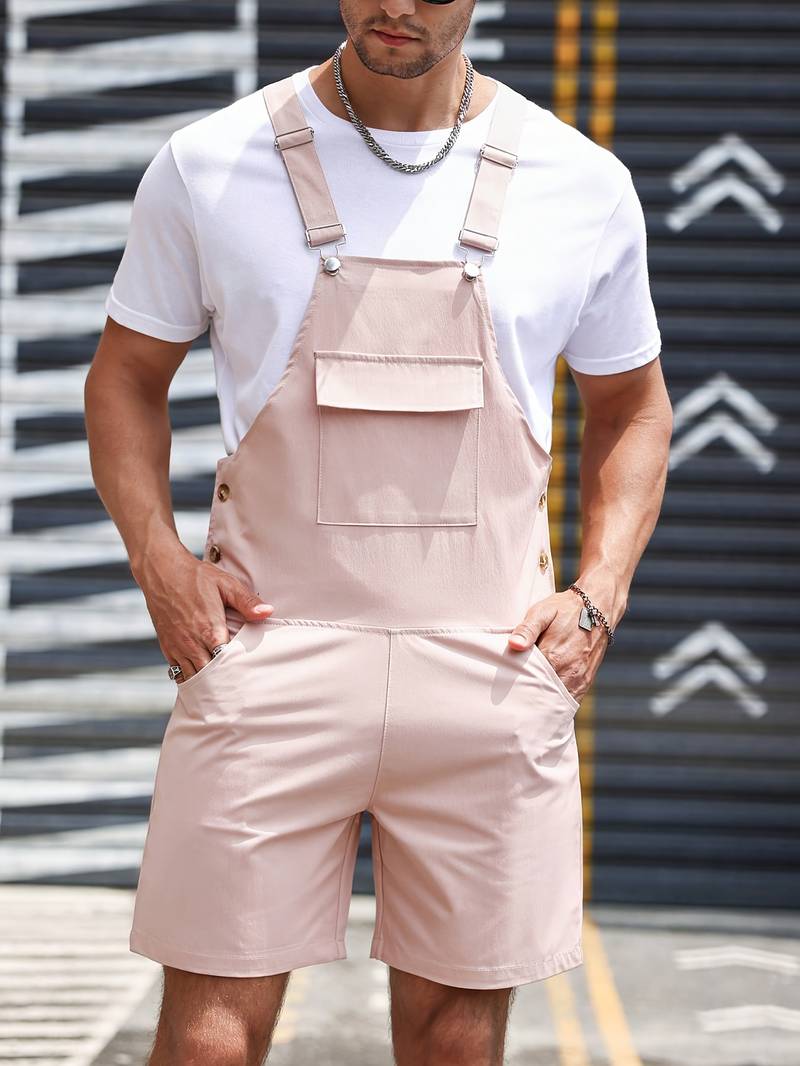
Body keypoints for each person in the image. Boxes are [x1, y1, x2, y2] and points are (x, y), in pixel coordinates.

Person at [85, 1, 672, 1063]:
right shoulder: (210, 163)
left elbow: (631, 405)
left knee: (455, 1041)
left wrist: (598, 594)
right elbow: (125, 379)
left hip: (489, 665)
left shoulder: (580, 183)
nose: (396, 6)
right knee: (210, 1041)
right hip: (266, 652)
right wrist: (159, 562)